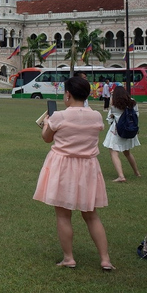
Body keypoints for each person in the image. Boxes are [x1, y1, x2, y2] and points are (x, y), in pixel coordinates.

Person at [33, 76, 114, 271]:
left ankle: (69, 257)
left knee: (63, 215)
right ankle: (105, 259)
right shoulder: (96, 116)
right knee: (92, 215)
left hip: (63, 167)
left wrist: (46, 123)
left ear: (68, 94)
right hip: (88, 167)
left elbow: (46, 138)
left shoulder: (59, 116)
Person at [102, 85, 141, 183]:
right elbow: (137, 114)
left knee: (114, 152)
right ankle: (137, 172)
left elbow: (110, 118)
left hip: (117, 131)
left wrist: (111, 98)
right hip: (129, 129)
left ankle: (121, 176)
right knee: (127, 152)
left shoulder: (114, 105)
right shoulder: (133, 102)